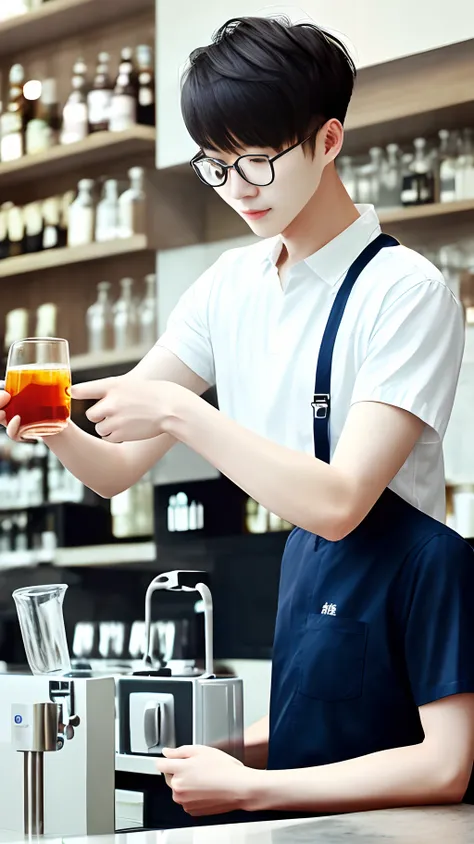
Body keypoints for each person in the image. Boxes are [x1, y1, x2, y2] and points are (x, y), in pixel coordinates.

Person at [2, 14, 474, 823]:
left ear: (328, 141)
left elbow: (338, 502)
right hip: (307, 583)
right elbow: (115, 471)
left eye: (257, 160)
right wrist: (55, 429)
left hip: (394, 601)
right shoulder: (230, 284)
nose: (237, 188)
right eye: (215, 166)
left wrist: (184, 410)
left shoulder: (406, 292)